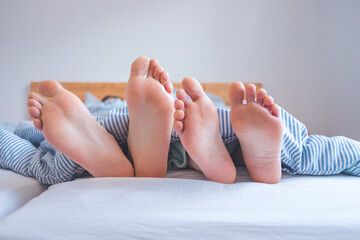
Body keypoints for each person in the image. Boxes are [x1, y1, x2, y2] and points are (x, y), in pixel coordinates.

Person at [0, 56, 359, 185]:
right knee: (306, 148)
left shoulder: (96, 107)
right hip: (223, 128)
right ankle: (252, 157)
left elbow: (13, 137)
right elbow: (342, 152)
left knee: (43, 160)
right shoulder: (208, 109)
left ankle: (115, 161)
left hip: (113, 127)